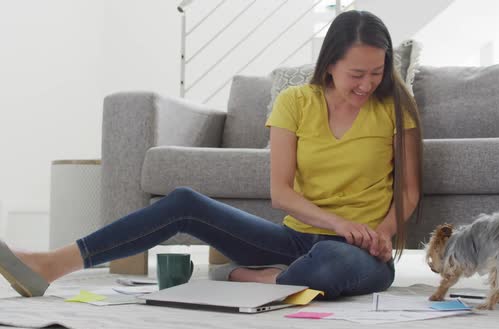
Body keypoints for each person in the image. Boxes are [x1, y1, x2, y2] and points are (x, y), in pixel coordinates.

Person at [0, 10, 422, 300]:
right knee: (184, 201)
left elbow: (408, 191)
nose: (368, 83)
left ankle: (257, 278)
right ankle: (53, 264)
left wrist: (380, 236)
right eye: (356, 73)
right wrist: (338, 223)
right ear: (330, 64)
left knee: (329, 263)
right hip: (295, 238)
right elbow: (281, 193)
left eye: (377, 72)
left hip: (359, 254)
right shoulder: (296, 102)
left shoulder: (396, 107)